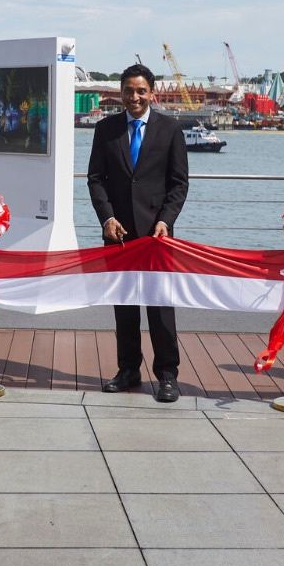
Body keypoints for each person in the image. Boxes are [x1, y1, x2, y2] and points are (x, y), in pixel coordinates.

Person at [87, 64, 190, 402]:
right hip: (117, 234)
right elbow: (95, 179)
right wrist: (107, 218)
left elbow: (179, 183)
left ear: (151, 93)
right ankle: (128, 369)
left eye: (141, 91)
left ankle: (167, 375)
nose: (134, 97)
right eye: (129, 91)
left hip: (157, 234)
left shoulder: (170, 129)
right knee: (125, 305)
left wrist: (166, 220)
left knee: (160, 307)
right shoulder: (105, 129)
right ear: (121, 93)